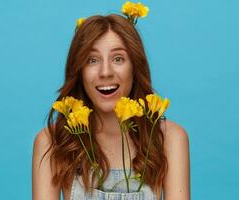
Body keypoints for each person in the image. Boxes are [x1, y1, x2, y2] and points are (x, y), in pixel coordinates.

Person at [32, 12, 190, 200]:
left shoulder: (169, 139)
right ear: (80, 71)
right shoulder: (52, 141)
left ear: (135, 67)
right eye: (92, 60)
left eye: (118, 59)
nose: (105, 72)